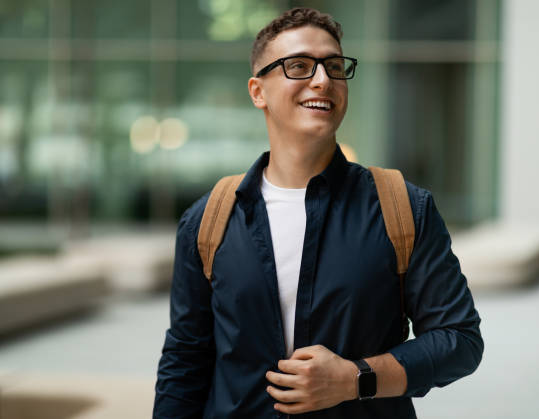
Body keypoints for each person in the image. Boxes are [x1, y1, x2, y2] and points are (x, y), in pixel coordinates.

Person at [154, 7, 483, 419]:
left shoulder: (402, 207)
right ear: (258, 91)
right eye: (299, 66)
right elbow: (184, 364)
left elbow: (459, 339)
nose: (323, 79)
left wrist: (355, 378)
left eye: (334, 66)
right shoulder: (208, 220)